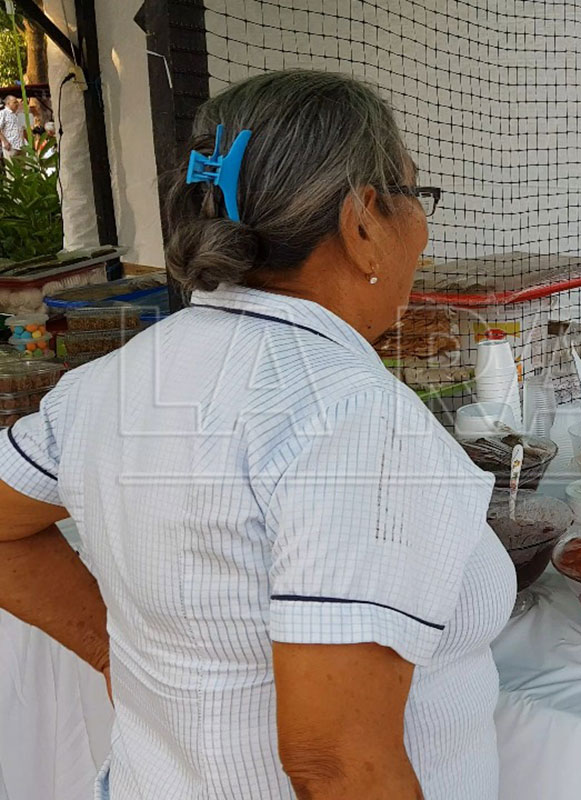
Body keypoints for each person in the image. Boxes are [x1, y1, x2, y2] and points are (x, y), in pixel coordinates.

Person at [0, 70, 513, 799]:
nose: (423, 232)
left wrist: (111, 651)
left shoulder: (117, 377)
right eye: (414, 196)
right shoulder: (353, 418)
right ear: (363, 222)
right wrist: (106, 647)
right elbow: (335, 763)